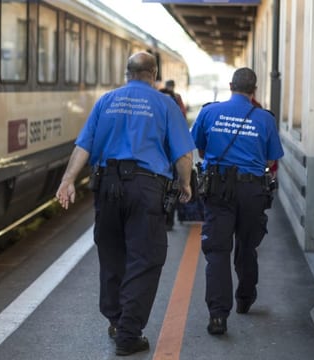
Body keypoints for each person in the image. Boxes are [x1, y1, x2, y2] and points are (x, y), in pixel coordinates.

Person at [55, 51, 195, 356]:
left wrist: (67, 180)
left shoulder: (107, 101)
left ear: (126, 73)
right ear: (153, 74)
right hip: (146, 188)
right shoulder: (165, 104)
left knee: (112, 254)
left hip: (107, 186)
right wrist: (185, 184)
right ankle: (129, 334)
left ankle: (117, 321)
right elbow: (184, 155)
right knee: (145, 259)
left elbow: (84, 145)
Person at [190, 67, 284, 335]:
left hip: (218, 189)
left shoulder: (209, 112)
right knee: (246, 246)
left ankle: (218, 316)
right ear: (254, 90)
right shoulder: (265, 119)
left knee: (217, 251)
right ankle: (245, 298)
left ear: (230, 85)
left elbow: (197, 146)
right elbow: (271, 160)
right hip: (253, 191)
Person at [159, 79, 188, 230]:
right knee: (172, 187)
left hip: (158, 160)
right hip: (172, 156)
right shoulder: (176, 100)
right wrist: (186, 183)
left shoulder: (156, 101)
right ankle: (169, 220)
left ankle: (164, 219)